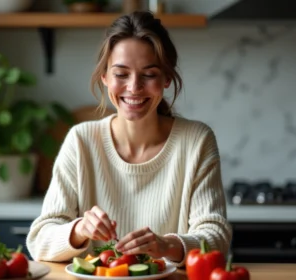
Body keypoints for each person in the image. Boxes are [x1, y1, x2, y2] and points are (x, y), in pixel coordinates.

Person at [26, 11, 232, 267]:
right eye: (121, 74)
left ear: (167, 78)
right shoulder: (81, 141)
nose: (134, 87)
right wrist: (79, 229)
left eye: (149, 74)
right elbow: (39, 241)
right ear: (105, 77)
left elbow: (217, 237)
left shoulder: (196, 141)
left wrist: (167, 245)